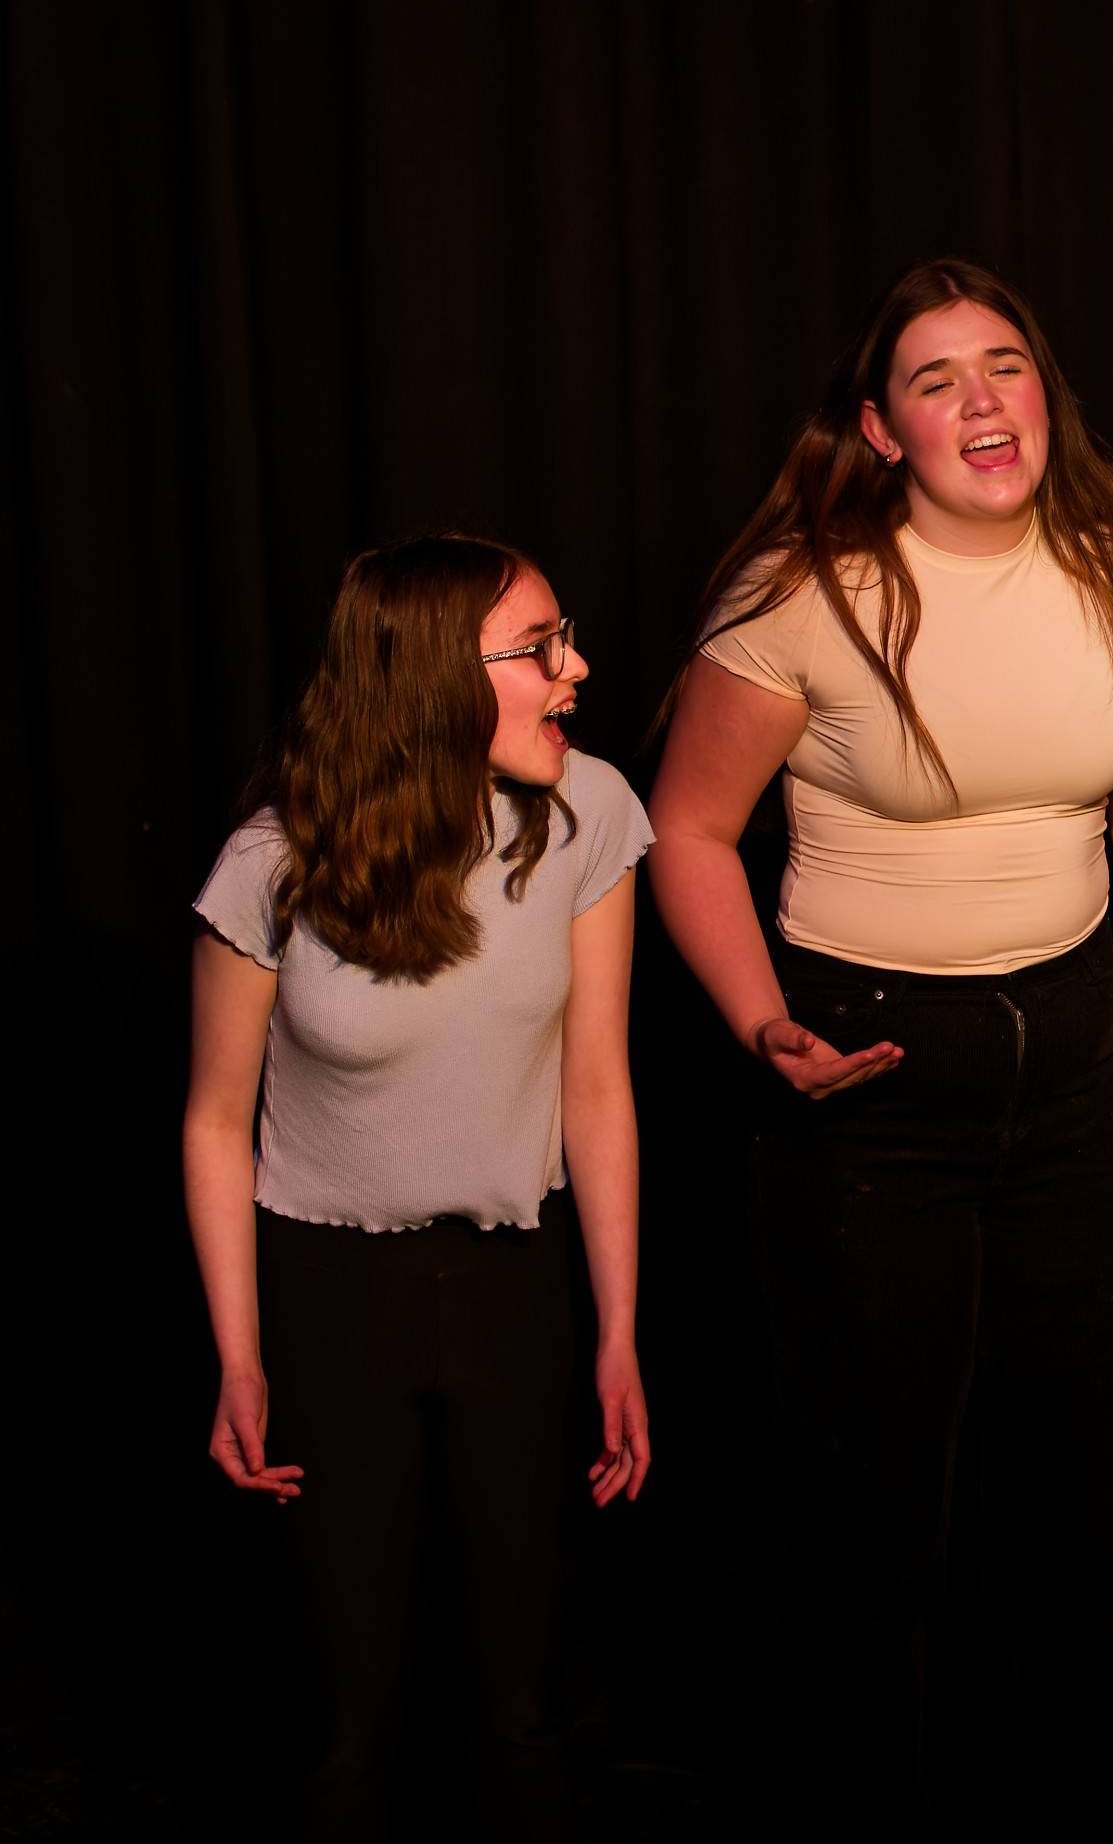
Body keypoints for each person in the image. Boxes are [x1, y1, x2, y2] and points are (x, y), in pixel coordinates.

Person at [645, 258, 1113, 1810]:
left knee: (1079, 1485)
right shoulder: (807, 597)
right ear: (880, 426)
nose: (984, 402)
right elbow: (692, 831)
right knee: (875, 1494)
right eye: (937, 380)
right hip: (871, 1070)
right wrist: (764, 1027)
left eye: (1005, 365)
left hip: (1074, 1058)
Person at [184, 535, 653, 1838]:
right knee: (349, 1717)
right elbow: (218, 1122)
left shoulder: (589, 812)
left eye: (566, 639)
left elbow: (598, 1086)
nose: (578, 669)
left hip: (512, 1278)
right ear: (429, 679)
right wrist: (239, 1360)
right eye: (540, 648)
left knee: (521, 1696)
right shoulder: (274, 860)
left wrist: (618, 1333)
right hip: (330, 1288)